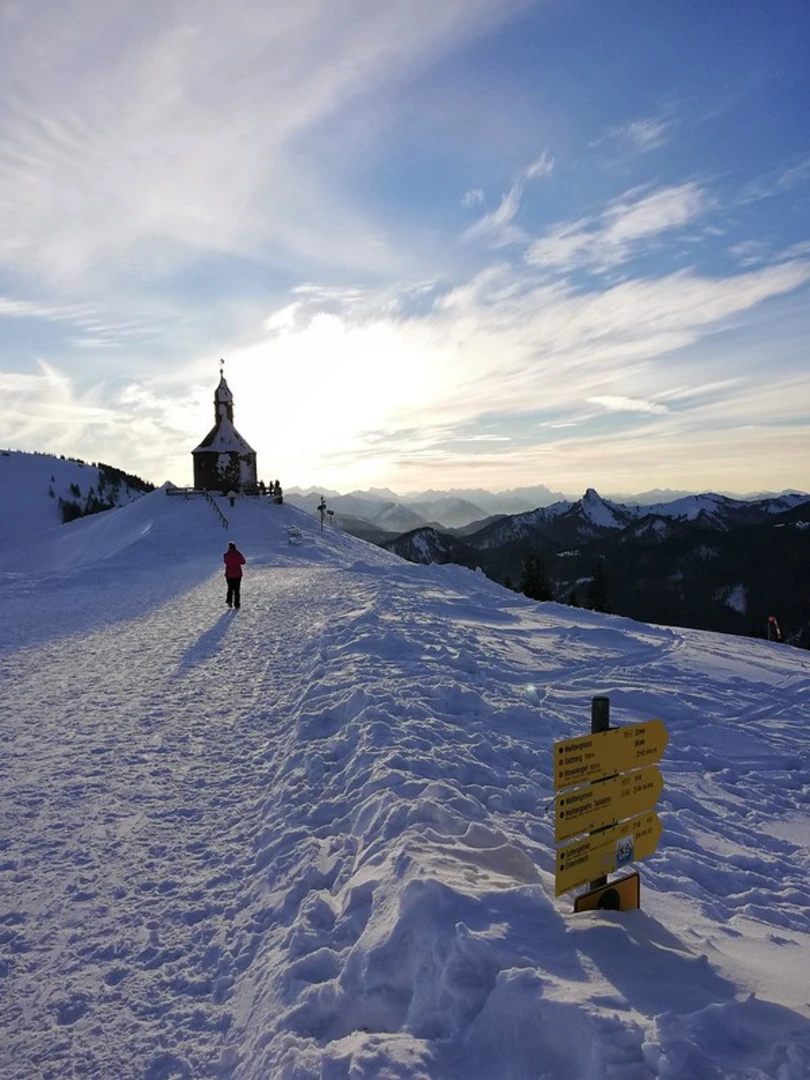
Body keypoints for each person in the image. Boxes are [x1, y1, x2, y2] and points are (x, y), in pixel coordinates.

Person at [223, 541, 246, 609]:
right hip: (237, 575)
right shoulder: (238, 554)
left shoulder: (226, 555)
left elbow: (225, 561)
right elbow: (243, 562)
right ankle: (237, 604)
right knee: (237, 589)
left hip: (229, 575)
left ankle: (229, 601)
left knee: (230, 588)